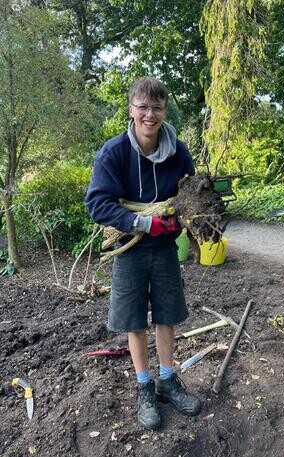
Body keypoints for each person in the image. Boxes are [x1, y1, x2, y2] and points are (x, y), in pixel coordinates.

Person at [85, 76, 201, 430]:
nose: (150, 114)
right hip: (130, 250)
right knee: (134, 320)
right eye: (143, 107)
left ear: (165, 111)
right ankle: (144, 386)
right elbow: (97, 203)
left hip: (165, 249)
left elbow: (190, 197)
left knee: (166, 314)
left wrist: (179, 223)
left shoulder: (178, 152)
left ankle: (167, 380)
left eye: (157, 107)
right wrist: (143, 223)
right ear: (131, 110)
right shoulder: (114, 151)